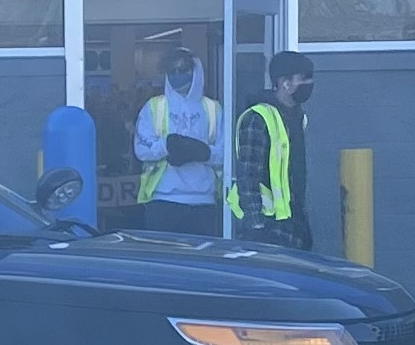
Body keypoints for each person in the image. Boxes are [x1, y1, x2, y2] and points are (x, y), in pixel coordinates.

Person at [128, 45, 223, 236]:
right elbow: (141, 149)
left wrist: (203, 152)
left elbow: (225, 154)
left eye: (183, 70)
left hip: (203, 202)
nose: (177, 74)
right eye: (172, 70)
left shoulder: (213, 109)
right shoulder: (154, 107)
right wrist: (166, 145)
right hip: (163, 201)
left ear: (196, 71)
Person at [231, 51, 317, 250]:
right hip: (267, 227)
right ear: (285, 83)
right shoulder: (258, 118)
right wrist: (256, 225)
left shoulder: (296, 118)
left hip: (292, 222)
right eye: (304, 79)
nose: (310, 84)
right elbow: (247, 175)